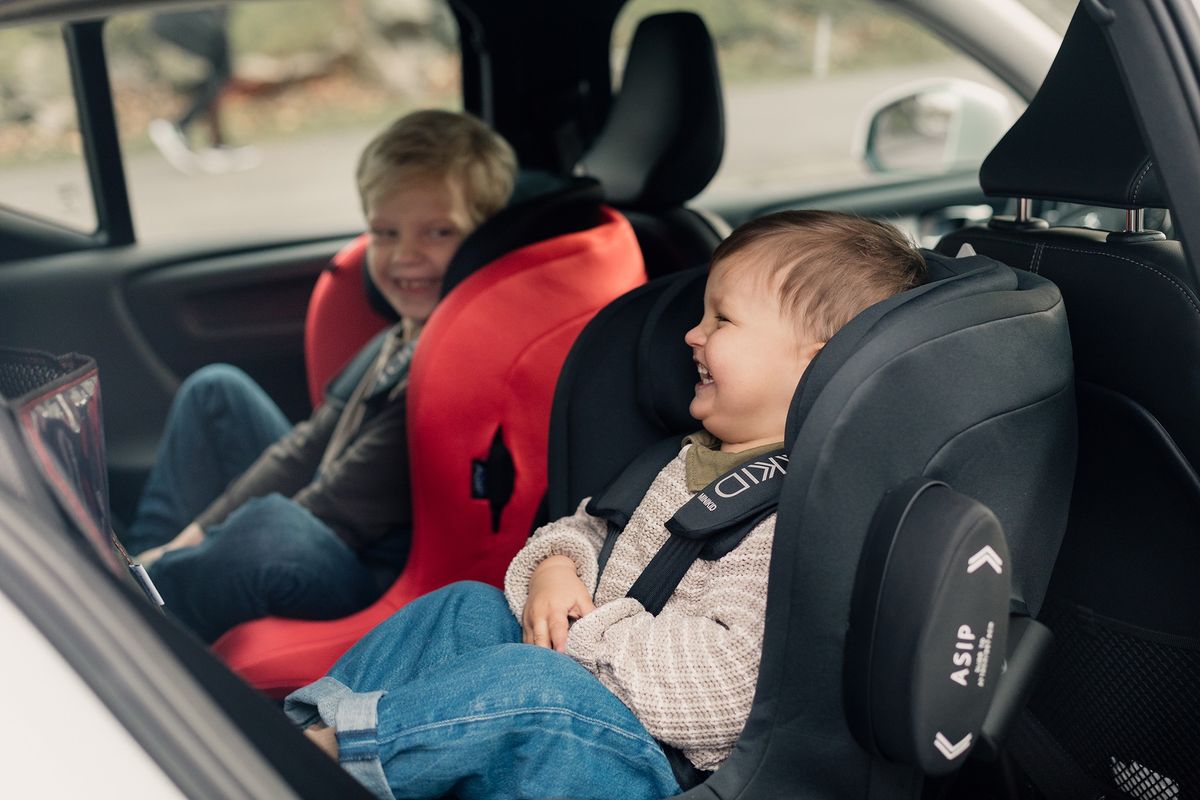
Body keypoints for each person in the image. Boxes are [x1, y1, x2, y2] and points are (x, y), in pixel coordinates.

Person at [282, 210, 929, 800]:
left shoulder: (790, 519)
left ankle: (321, 764)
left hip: (653, 764)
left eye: (721, 321)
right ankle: (294, 733)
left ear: (818, 367)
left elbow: (725, 692)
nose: (691, 335)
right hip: (588, 698)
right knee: (464, 607)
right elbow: (589, 527)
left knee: (533, 686)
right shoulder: (680, 459)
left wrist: (581, 636)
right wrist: (557, 566)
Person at [123, 109, 518, 643]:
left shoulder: (451, 365)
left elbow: (331, 509)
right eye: (385, 232)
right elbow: (308, 446)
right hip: (327, 523)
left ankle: (129, 606)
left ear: (484, 239)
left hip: (372, 578)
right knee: (215, 391)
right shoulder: (405, 331)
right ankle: (140, 575)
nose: (405, 255)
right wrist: (184, 542)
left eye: (438, 232)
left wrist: (202, 549)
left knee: (270, 532)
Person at [147, 7, 257, 173]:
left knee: (218, 73)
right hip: (176, 16)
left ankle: (216, 145)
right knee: (219, 58)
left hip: (188, 17)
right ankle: (178, 127)